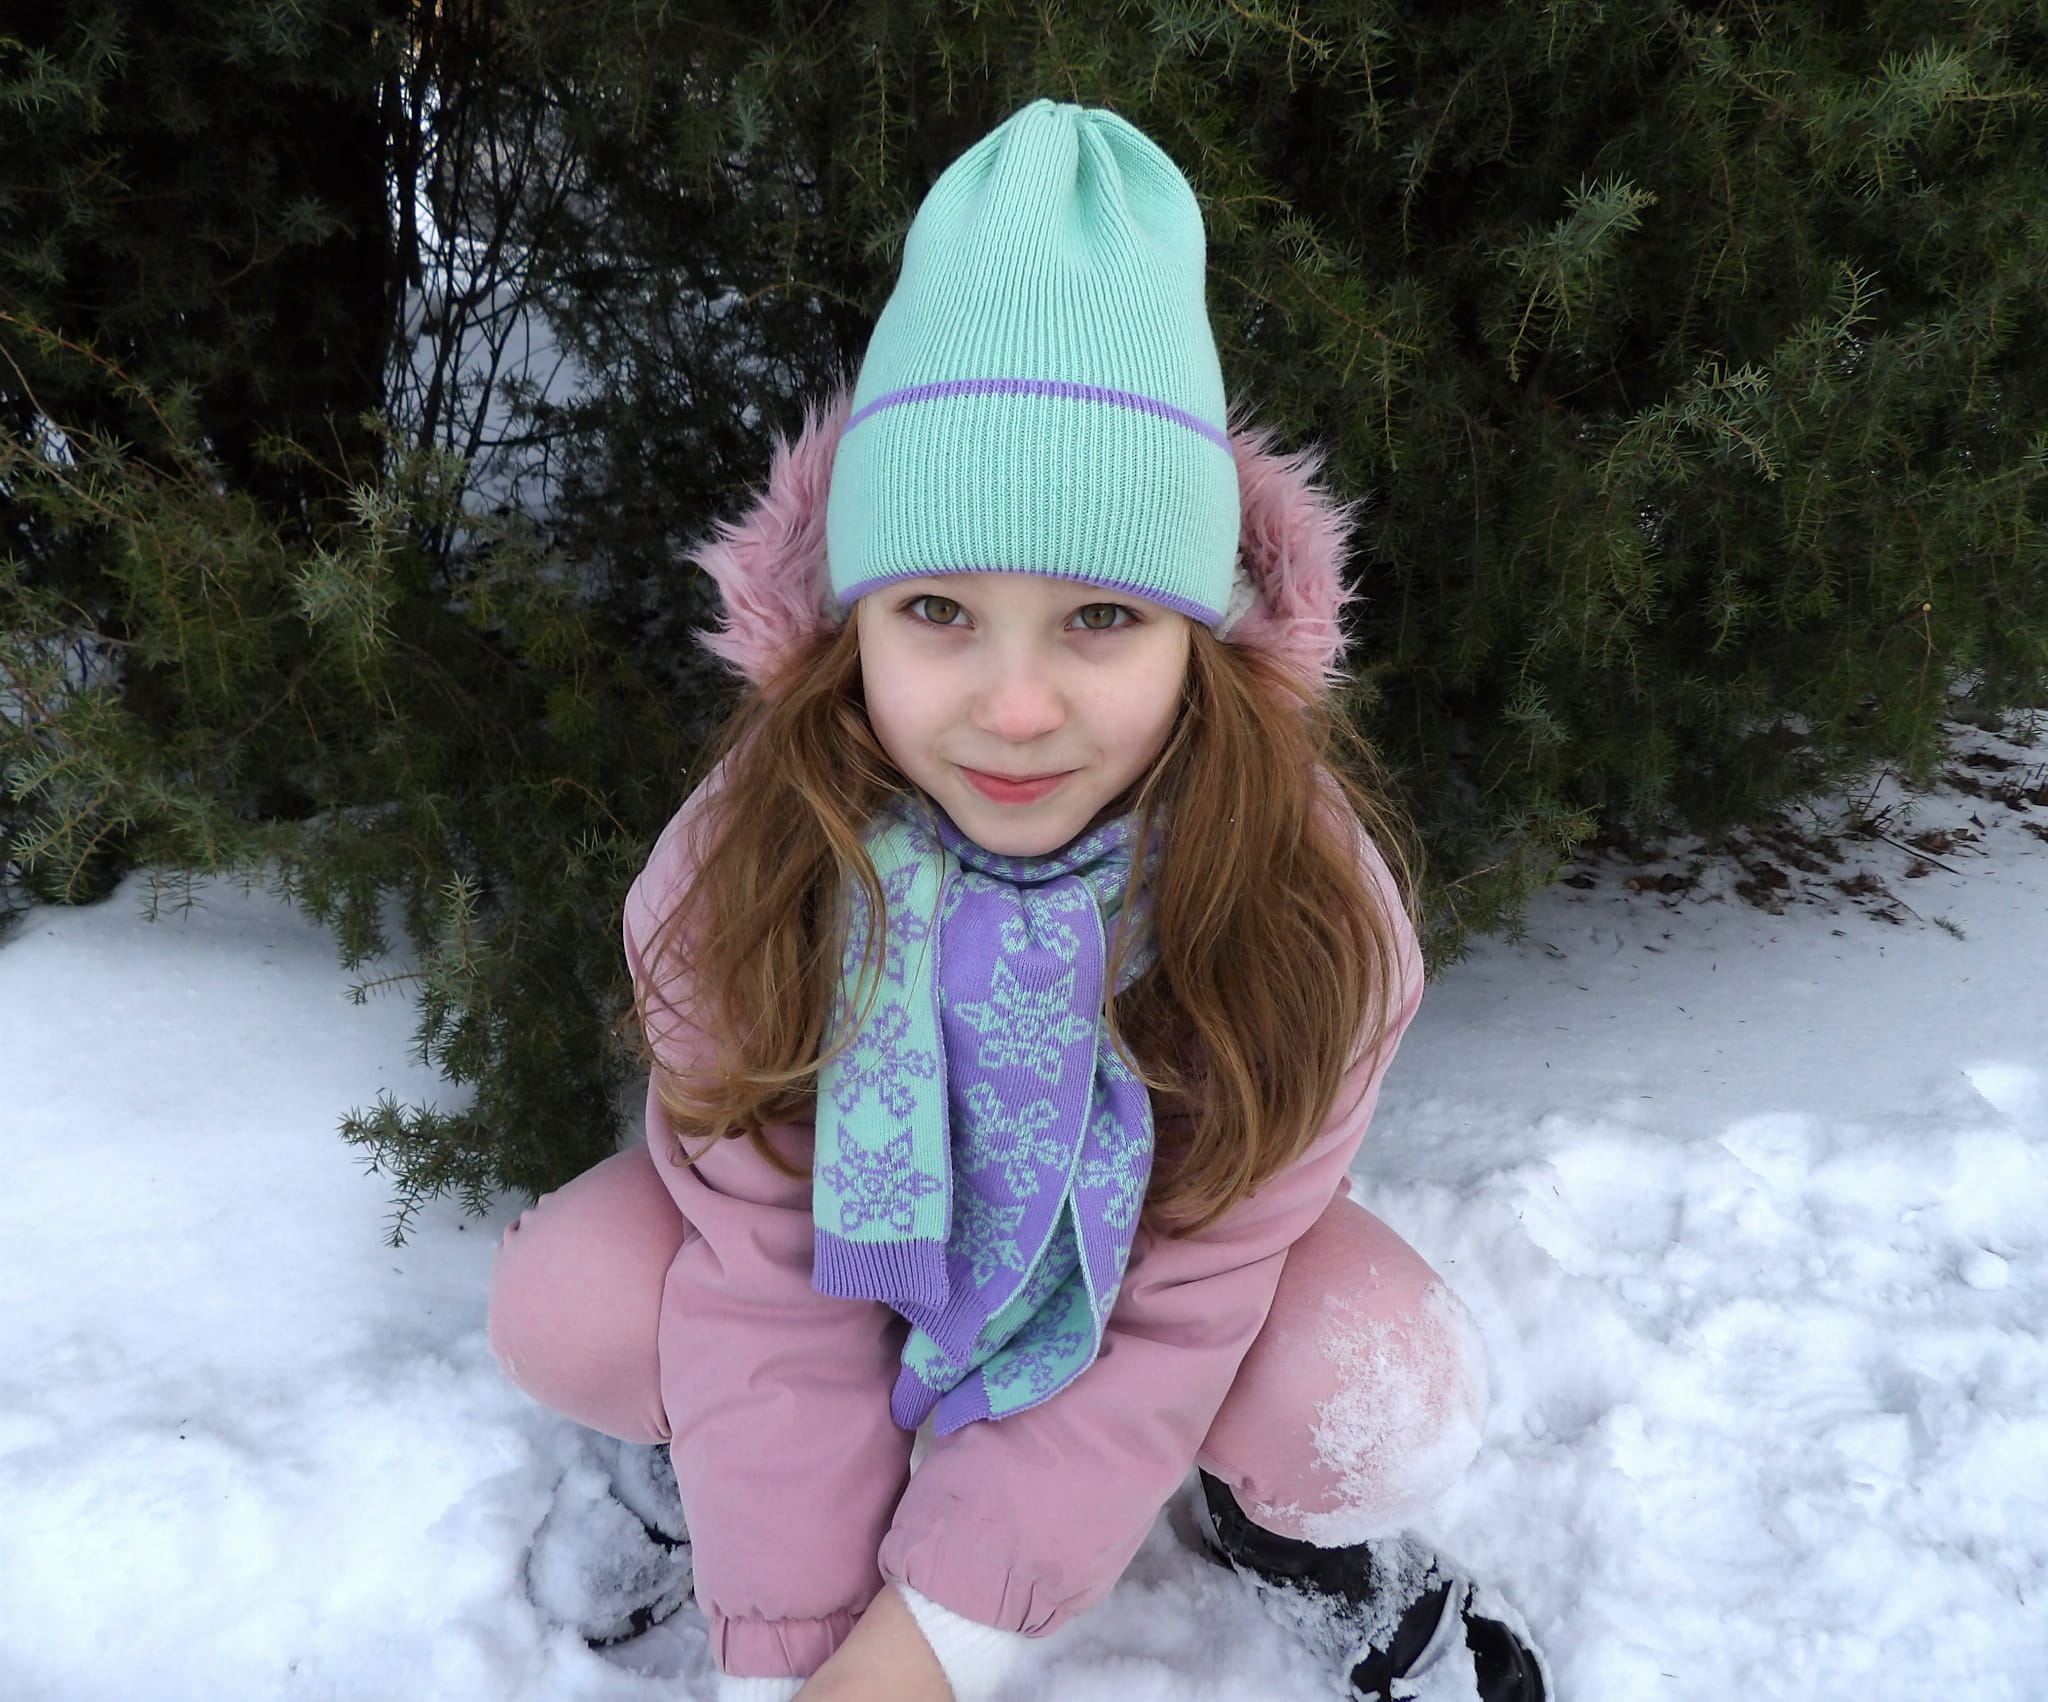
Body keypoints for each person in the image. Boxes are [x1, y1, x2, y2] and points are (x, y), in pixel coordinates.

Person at [487, 100, 1546, 1702]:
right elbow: (763, 1280)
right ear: (851, 618)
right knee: (568, 1301)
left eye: (1101, 615)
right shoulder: (748, 861)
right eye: (938, 608)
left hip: (1142, 1301)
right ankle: (709, 1474)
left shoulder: (1308, 906)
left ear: (1203, 628)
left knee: (1377, 1386)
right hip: (840, 1282)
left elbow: (1182, 1311)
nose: (1018, 706)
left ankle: (1269, 1524)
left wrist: (932, 1646)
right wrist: (797, 1662)